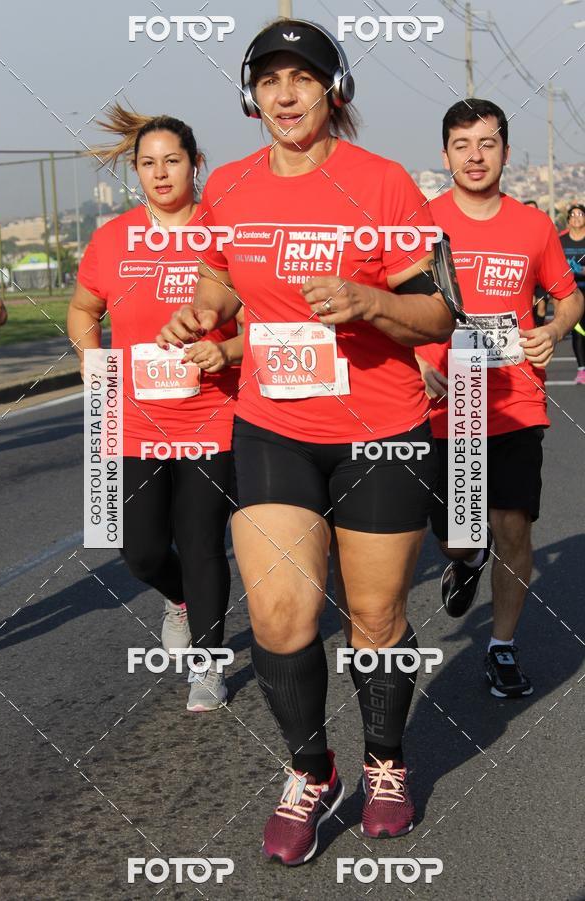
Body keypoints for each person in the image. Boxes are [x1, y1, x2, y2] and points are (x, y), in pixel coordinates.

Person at [158, 19, 456, 865]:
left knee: (374, 613)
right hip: (273, 425)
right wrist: (203, 310)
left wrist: (369, 303)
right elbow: (220, 275)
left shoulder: (386, 184)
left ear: (335, 89)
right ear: (250, 95)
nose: (286, 94)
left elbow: (439, 312)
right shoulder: (232, 187)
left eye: (303, 78)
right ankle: (311, 767)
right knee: (282, 615)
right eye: (270, 80)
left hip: (380, 428)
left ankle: (387, 762)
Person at [67, 104, 243, 711]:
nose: (161, 173)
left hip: (212, 415)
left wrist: (227, 353)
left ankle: (208, 665)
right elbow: (83, 312)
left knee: (201, 543)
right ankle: (180, 598)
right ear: (136, 173)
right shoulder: (113, 239)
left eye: (173, 161)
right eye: (148, 164)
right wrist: (97, 367)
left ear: (197, 165)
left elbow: (255, 310)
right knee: (140, 552)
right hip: (134, 421)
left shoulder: (224, 236)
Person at [416, 99, 583, 698]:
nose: (476, 156)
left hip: (515, 402)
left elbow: (568, 296)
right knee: (458, 536)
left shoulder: (533, 226)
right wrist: (416, 357)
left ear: (506, 152)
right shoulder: (420, 222)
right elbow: (385, 308)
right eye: (462, 145)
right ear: (445, 155)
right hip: (445, 408)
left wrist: (553, 330)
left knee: (514, 526)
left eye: (487, 144)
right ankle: (464, 561)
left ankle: (502, 646)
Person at [559, 203, 585, 383]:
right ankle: (582, 369)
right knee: (578, 330)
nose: (576, 217)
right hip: (571, 291)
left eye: (580, 214)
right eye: (573, 215)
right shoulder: (561, 240)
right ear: (568, 220)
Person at [523, 201, 549, 327]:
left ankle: (539, 329)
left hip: (540, 277)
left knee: (542, 306)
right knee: (529, 306)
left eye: (534, 209)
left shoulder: (543, 229)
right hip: (524, 277)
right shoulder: (517, 231)